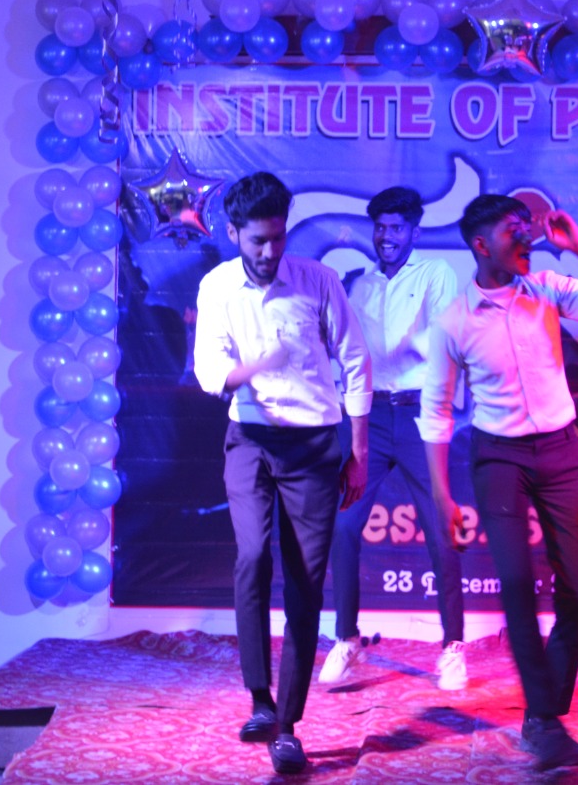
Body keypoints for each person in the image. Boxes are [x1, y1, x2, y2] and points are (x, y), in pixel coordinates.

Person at [421, 195, 578, 771]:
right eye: (512, 231)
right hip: (500, 458)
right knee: (518, 588)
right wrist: (443, 496)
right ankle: (545, 723)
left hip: (561, 450)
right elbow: (436, 413)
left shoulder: (545, 287)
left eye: (528, 228)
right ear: (480, 245)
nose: (526, 238)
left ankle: (543, 712)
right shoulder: (454, 321)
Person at [192, 171, 371, 775]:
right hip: (249, 438)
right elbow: (209, 368)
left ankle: (289, 727)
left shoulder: (318, 281)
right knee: (251, 557)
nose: (269, 251)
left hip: (314, 445)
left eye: (277, 238)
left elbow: (355, 361)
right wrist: (251, 369)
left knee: (305, 582)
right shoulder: (218, 286)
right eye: (257, 241)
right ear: (233, 233)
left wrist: (358, 450)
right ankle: (260, 700)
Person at [320, 186, 466, 690]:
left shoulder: (435, 274)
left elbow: (443, 339)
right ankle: (346, 639)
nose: (387, 236)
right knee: (343, 525)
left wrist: (405, 348)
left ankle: (452, 646)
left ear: (414, 232)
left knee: (440, 530)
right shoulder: (359, 285)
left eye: (397, 228)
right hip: (370, 418)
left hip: (419, 415)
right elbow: (349, 352)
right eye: (380, 227)